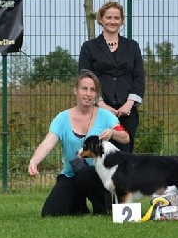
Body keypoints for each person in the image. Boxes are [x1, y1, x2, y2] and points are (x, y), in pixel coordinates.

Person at [28, 69, 129, 216]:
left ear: (96, 94)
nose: (88, 94)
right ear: (75, 90)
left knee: (86, 174)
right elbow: (47, 143)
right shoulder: (62, 118)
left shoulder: (106, 116)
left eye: (92, 90)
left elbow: (125, 137)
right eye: (84, 89)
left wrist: (113, 133)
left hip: (98, 176)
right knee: (50, 212)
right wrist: (34, 161)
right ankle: (79, 207)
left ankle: (104, 209)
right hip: (71, 175)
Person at [79, 1, 144, 153]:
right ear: (100, 19)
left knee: (125, 158)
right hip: (97, 110)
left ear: (122, 21)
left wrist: (129, 104)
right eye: (108, 17)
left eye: (116, 18)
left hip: (127, 112)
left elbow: (139, 77)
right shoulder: (89, 47)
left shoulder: (132, 46)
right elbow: (85, 77)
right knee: (96, 155)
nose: (112, 21)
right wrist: (101, 104)